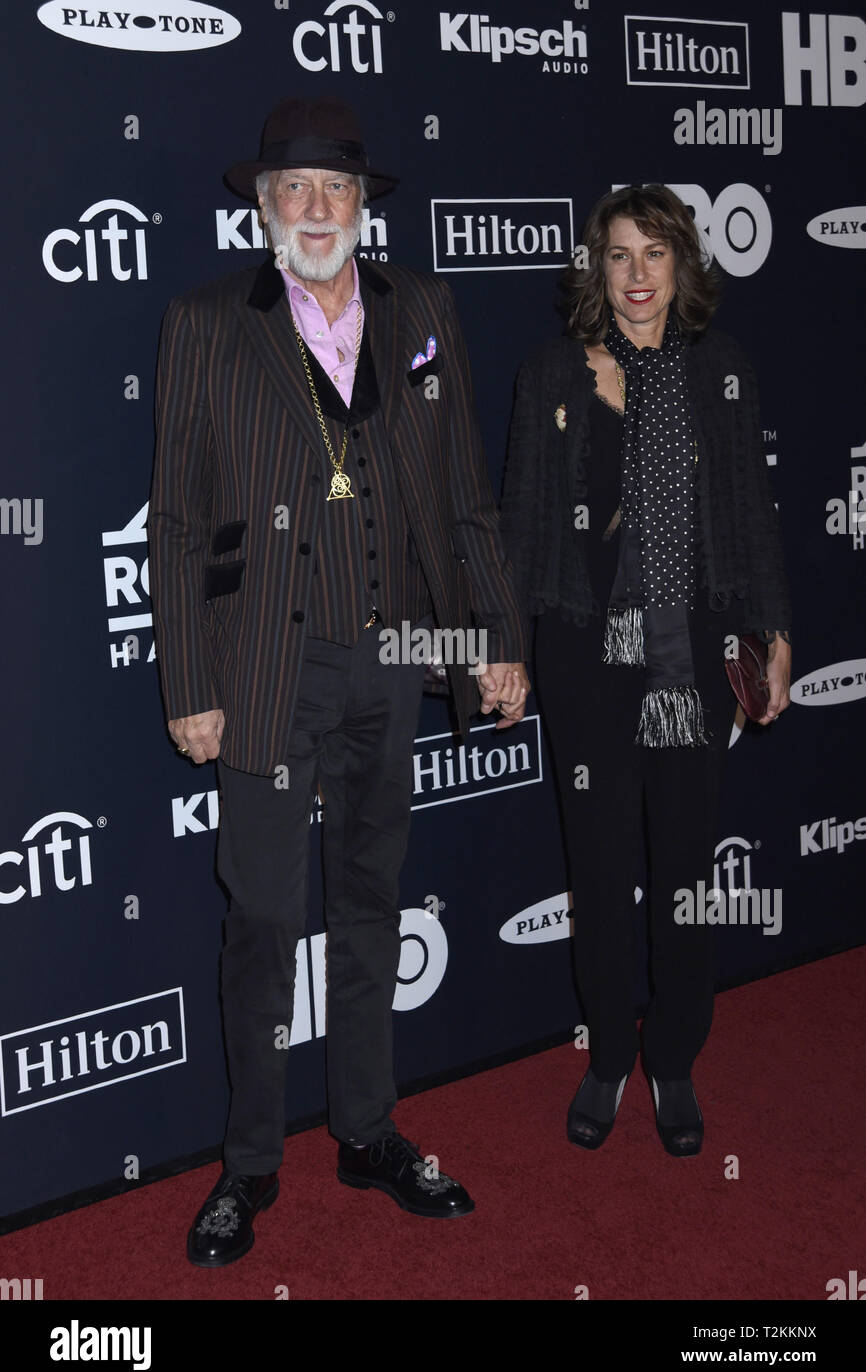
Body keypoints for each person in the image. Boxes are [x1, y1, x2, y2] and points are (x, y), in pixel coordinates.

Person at [149, 97, 529, 1267]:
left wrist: (494, 636)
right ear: (262, 208)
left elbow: (464, 490)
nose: (314, 210)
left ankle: (366, 1130)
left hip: (395, 653)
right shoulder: (210, 323)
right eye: (292, 190)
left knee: (371, 904)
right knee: (263, 923)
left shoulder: (424, 310)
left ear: (363, 206)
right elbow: (180, 523)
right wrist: (189, 678)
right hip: (268, 666)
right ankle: (249, 1164)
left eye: (335, 190)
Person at [499, 185, 790, 1158]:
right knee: (598, 867)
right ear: (596, 268)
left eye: (653, 255)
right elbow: (528, 527)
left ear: (681, 267)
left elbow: (749, 515)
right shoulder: (552, 371)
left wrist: (771, 630)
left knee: (682, 872)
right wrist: (509, 648)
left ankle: (670, 1055)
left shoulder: (722, 370)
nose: (634, 275)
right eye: (617, 255)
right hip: (589, 659)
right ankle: (604, 1060)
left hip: (690, 661)